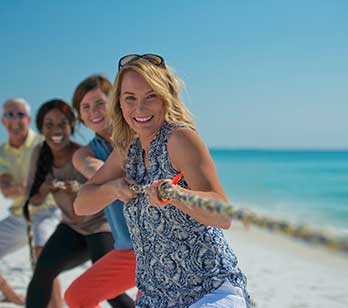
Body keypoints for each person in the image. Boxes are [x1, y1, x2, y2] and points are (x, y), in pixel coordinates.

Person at [73, 54, 249, 308]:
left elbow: (222, 215)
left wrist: (176, 195)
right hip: (156, 300)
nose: (140, 109)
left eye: (151, 96)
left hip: (209, 292)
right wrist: (113, 189)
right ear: (119, 103)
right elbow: (82, 204)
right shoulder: (127, 150)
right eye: (130, 98)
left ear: (165, 96)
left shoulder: (180, 139)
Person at [24, 99, 128, 308]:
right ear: (40, 128)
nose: (56, 130)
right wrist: (45, 189)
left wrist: (80, 190)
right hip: (71, 228)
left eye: (62, 124)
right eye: (49, 124)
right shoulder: (39, 154)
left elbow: (101, 187)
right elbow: (32, 200)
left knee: (112, 294)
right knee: (42, 274)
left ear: (72, 126)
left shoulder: (82, 154)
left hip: (100, 226)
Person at [64, 75, 136, 308]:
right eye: (85, 107)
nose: (93, 111)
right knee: (77, 296)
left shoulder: (139, 134)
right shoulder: (83, 154)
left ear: (115, 103)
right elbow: (95, 170)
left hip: (160, 244)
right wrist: (111, 185)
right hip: (127, 249)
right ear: (80, 116)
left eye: (99, 103)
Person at [0, 98, 61, 306]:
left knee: (43, 255)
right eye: (9, 114)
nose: (15, 119)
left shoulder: (43, 144)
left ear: (28, 119)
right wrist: (18, 187)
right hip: (19, 215)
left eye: (19, 114)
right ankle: (10, 295)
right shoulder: (2, 153)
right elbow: (6, 188)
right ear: (3, 121)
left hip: (46, 211)